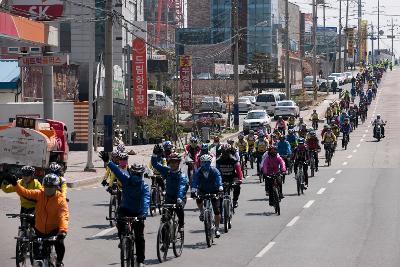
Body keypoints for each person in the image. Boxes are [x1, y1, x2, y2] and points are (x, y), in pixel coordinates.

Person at [6, 173, 68, 267]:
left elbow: (63, 216)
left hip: (54, 230)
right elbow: (25, 192)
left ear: (56, 188)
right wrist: (15, 184)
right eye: (46, 187)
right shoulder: (39, 193)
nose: (48, 190)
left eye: (51, 188)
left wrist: (62, 231)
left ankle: (59, 262)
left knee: (59, 244)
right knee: (37, 258)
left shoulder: (60, 200)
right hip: (39, 230)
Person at [99, 152, 150, 267]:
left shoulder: (144, 186)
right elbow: (116, 170)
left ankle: (140, 260)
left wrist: (144, 213)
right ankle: (123, 239)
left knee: (139, 237)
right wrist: (107, 162)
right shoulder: (126, 180)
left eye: (139, 175)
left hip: (139, 213)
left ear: (142, 175)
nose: (136, 177)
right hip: (125, 209)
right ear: (131, 173)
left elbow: (146, 199)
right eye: (135, 174)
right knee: (120, 223)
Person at [151, 148, 188, 232]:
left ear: (178, 163)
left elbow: (181, 187)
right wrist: (154, 155)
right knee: (165, 220)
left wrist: (179, 198)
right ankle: (164, 243)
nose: (173, 164)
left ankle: (181, 225)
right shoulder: (166, 170)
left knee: (179, 210)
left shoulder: (181, 175)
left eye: (175, 162)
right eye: (171, 162)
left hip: (179, 198)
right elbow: (155, 164)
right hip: (168, 198)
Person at [191, 154, 223, 238]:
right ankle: (202, 211)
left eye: (207, 162)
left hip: (214, 190)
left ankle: (217, 229)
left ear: (210, 163)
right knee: (198, 199)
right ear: (200, 163)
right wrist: (193, 190)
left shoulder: (214, 170)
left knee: (217, 210)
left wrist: (220, 187)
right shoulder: (198, 171)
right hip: (203, 190)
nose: (205, 164)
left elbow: (218, 177)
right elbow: (194, 180)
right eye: (203, 162)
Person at [216, 144, 243, 208]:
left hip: (232, 177)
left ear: (230, 152)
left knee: (237, 187)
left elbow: (239, 170)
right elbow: (215, 171)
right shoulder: (218, 160)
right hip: (222, 178)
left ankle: (235, 200)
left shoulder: (234, 160)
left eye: (227, 152)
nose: (225, 154)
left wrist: (240, 179)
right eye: (224, 152)